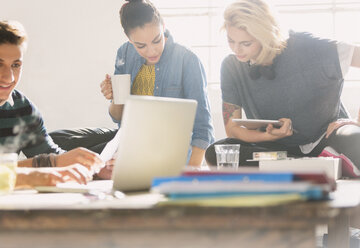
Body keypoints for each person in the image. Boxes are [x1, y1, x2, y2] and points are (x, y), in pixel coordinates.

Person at [205, 0, 360, 167]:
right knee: (218, 152)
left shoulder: (312, 47)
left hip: (327, 138)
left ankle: (297, 164)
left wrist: (358, 120)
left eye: (246, 43)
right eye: (231, 40)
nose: (236, 50)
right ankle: (306, 163)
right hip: (276, 148)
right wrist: (269, 136)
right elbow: (233, 130)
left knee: (356, 140)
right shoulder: (231, 66)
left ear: (266, 36)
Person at [100, 0, 215, 168]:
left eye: (157, 40)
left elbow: (203, 126)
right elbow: (117, 116)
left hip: (174, 155)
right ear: (129, 39)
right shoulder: (124, 53)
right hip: (133, 149)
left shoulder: (187, 60)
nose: (152, 51)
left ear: (163, 26)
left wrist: (192, 171)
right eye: (141, 46)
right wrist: (114, 95)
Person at [0, 20, 102, 186]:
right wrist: (44, 167)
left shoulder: (23, 109)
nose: (9, 77)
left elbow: (51, 155)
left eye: (16, 65)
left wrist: (93, 168)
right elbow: (52, 162)